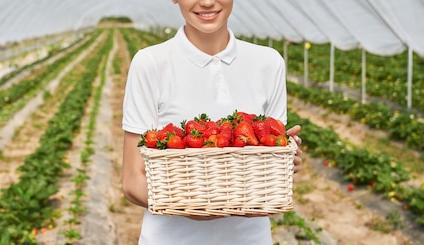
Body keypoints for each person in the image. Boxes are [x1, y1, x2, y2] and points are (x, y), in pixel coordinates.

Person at [121, 0, 304, 244]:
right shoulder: (150, 63)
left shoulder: (268, 63)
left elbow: (263, 167)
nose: (206, 2)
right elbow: (133, 182)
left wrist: (283, 161)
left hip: (249, 238)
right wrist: (203, 208)